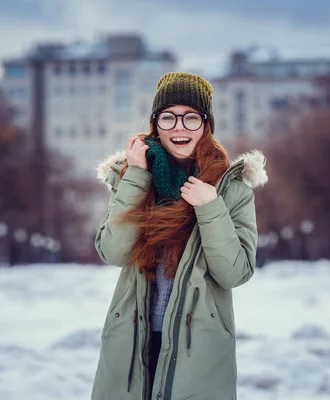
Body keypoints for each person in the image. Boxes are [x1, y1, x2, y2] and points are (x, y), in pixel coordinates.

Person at [91, 72, 267, 400]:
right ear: (155, 123)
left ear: (206, 124)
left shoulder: (232, 188)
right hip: (132, 344)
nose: (179, 127)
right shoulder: (132, 176)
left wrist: (211, 208)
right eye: (168, 117)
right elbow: (113, 252)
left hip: (198, 351)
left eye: (191, 117)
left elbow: (235, 272)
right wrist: (137, 179)